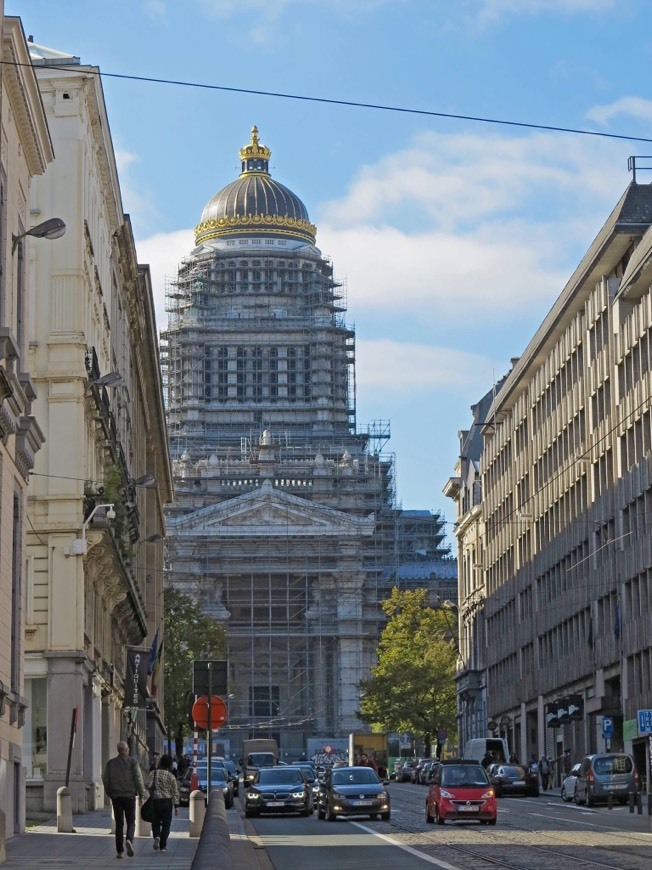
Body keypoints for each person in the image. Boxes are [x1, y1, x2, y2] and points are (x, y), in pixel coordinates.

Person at [102, 741, 146, 859]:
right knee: (131, 821)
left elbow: (105, 779)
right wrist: (141, 794)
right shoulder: (132, 762)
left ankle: (120, 851)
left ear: (118, 750)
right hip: (129, 796)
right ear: (127, 750)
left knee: (119, 824)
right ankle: (129, 840)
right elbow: (138, 779)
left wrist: (109, 793)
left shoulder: (111, 763)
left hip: (116, 797)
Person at [146, 753, 179, 852]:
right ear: (169, 764)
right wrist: (176, 806)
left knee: (155, 822)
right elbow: (175, 792)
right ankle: (163, 846)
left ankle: (157, 836)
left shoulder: (153, 773)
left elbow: (147, 785)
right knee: (166, 824)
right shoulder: (171, 776)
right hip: (167, 802)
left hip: (156, 801)